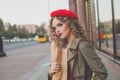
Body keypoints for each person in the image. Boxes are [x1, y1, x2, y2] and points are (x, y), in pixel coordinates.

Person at [48, 9, 108, 80]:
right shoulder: (61, 46)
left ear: (71, 24)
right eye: (54, 28)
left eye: (60, 25)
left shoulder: (82, 45)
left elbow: (101, 72)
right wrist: (50, 72)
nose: (57, 30)